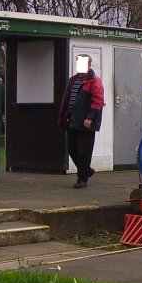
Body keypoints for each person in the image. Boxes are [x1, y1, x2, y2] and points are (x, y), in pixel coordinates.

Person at [57, 54, 105, 188]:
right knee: (72, 148)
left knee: (84, 151)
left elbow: (98, 102)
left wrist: (90, 117)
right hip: (72, 119)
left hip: (86, 121)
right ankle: (86, 170)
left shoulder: (95, 82)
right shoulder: (73, 80)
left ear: (89, 65)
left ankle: (82, 178)